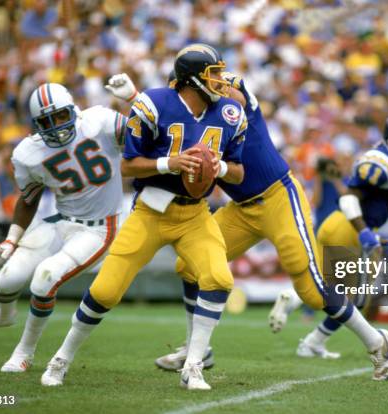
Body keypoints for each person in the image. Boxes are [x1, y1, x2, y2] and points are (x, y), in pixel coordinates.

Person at [110, 67, 388, 381]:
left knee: (312, 288)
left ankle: (377, 342)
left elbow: (227, 102)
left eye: (223, 83)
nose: (219, 89)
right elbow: (171, 131)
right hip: (242, 209)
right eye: (211, 82)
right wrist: (138, 100)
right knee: (190, 267)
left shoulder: (232, 106)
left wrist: (145, 97)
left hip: (278, 197)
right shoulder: (195, 113)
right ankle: (198, 350)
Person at [40, 44, 246, 390]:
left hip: (195, 214)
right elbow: (127, 166)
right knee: (105, 290)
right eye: (213, 74)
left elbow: (238, 172)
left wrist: (217, 166)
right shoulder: (154, 104)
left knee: (219, 278)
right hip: (151, 211)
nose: (221, 81)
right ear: (190, 80)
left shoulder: (229, 113)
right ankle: (60, 358)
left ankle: (193, 367)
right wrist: (172, 163)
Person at [0, 83, 126, 375]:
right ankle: (4, 314)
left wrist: (135, 100)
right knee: (7, 279)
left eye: (61, 116)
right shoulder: (29, 152)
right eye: (46, 121)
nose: (56, 126)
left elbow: (144, 140)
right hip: (61, 221)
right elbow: (28, 199)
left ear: (73, 110)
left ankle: (24, 352)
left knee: (44, 279)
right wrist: (11, 241)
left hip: (99, 229)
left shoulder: (101, 120)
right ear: (36, 124)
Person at [271, 114, 388, 358]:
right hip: (353, 228)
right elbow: (348, 197)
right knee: (354, 299)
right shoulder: (378, 162)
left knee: (325, 285)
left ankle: (293, 303)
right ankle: (313, 341)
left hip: (338, 224)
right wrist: (364, 232)